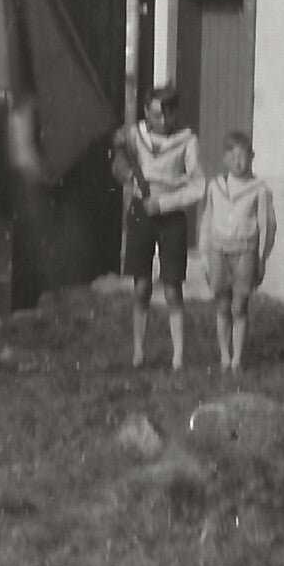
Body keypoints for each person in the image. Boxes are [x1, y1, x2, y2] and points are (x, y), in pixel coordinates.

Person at [113, 85, 205, 370]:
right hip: (141, 212)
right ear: (146, 112)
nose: (163, 122)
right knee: (141, 286)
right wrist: (121, 164)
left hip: (171, 216)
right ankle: (138, 352)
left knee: (172, 287)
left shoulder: (187, 141)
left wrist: (164, 203)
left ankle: (178, 356)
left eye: (169, 115)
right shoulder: (134, 136)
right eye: (156, 115)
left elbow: (198, 187)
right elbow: (119, 169)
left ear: (176, 112)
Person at [198, 130, 277, 371]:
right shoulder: (215, 186)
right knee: (223, 305)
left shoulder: (259, 189)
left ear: (252, 157)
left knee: (239, 305)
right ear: (224, 159)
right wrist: (204, 256)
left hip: (246, 251)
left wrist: (262, 259)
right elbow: (207, 222)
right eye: (232, 156)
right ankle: (224, 356)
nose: (238, 162)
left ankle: (237, 358)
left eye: (243, 156)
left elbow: (267, 226)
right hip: (219, 251)